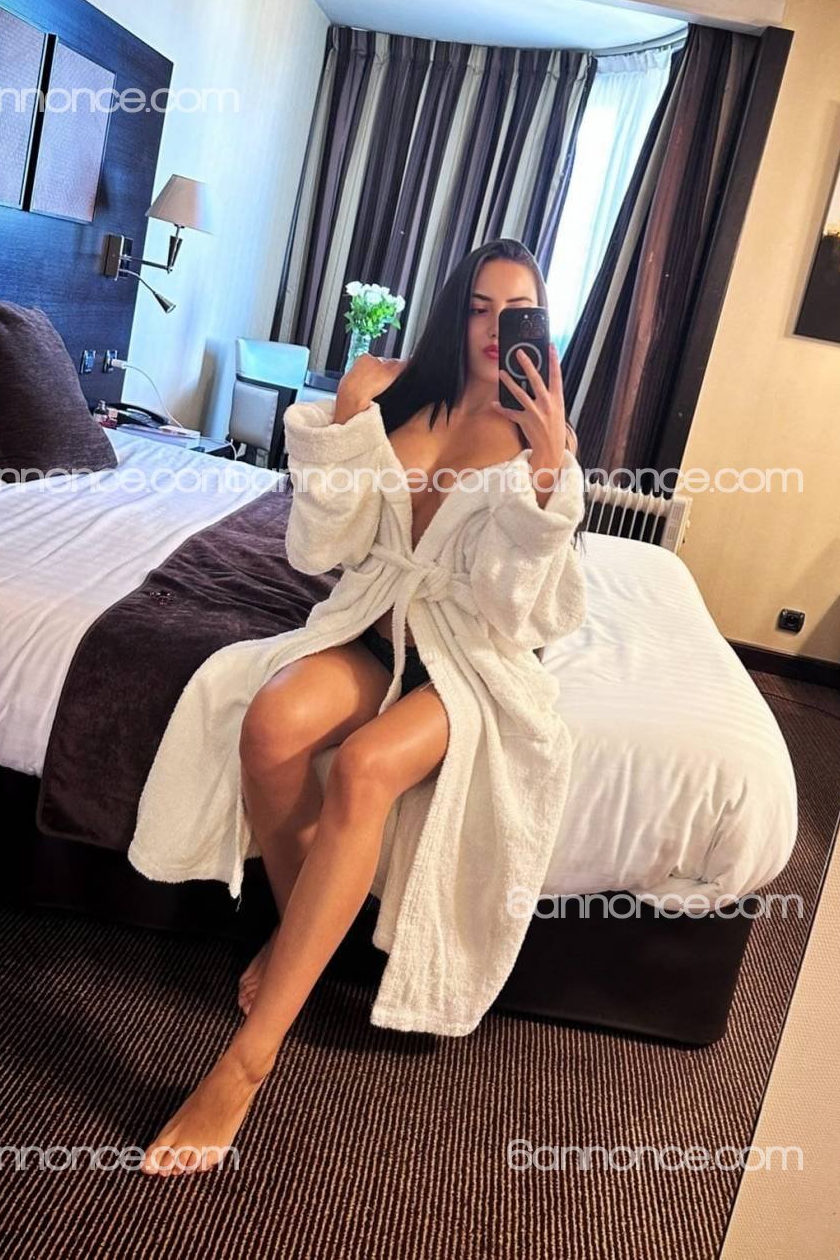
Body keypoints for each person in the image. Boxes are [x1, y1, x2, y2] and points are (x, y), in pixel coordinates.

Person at [137, 237, 587, 1176]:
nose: (494, 328)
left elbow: (518, 612)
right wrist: (347, 416)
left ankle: (247, 1063)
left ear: (540, 325)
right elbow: (321, 549)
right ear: (453, 310)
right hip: (375, 629)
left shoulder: (541, 437)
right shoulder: (402, 400)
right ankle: (301, 931)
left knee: (367, 766)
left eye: (516, 311)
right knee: (269, 721)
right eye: (478, 306)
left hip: (466, 659)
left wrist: (549, 481)